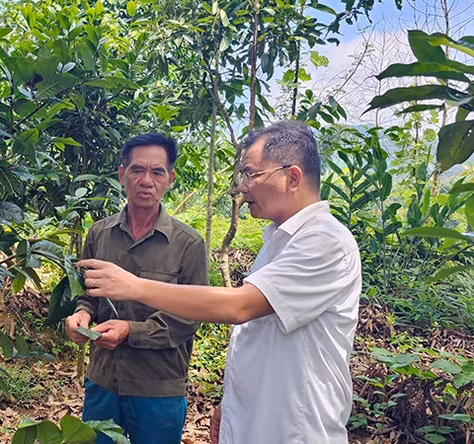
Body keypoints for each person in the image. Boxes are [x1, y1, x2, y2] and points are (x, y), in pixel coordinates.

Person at [78, 120, 362, 443]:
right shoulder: (277, 241)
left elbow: (239, 306)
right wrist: (232, 405)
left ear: (292, 177)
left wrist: (133, 286)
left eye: (251, 174)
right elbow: (258, 337)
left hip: (295, 429)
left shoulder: (326, 242)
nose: (241, 187)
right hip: (257, 421)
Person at [64, 133, 208, 443]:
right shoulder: (99, 234)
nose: (146, 180)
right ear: (122, 174)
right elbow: (88, 295)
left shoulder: (188, 245)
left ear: (170, 178)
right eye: (137, 170)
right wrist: (81, 315)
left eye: (157, 172)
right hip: (103, 383)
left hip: (158, 389)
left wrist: (131, 330)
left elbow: (189, 317)